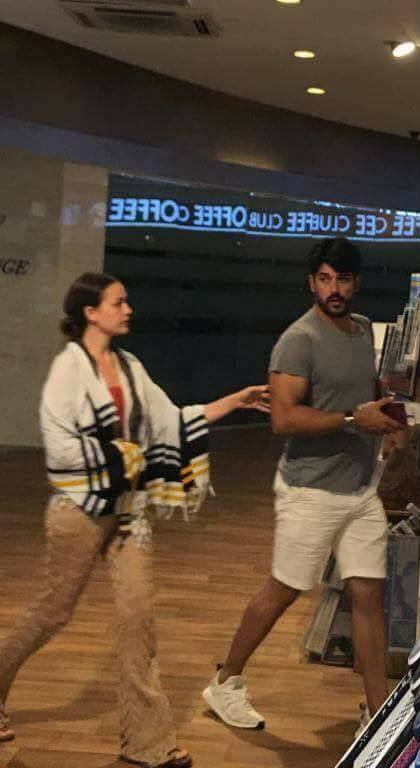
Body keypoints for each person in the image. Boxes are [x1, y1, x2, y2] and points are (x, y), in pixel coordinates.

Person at [0, 272, 269, 768]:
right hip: (79, 511)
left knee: (138, 619)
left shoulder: (130, 367)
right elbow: (60, 447)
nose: (128, 310)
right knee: (53, 612)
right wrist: (122, 456)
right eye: (118, 302)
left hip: (128, 513)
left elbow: (171, 420)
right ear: (91, 313)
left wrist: (233, 402)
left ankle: (148, 743)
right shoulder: (67, 370)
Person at [202, 237, 405, 735]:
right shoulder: (298, 340)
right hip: (310, 490)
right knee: (284, 590)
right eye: (325, 279)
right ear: (311, 282)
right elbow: (284, 419)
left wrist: (390, 416)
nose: (334, 289)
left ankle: (377, 712)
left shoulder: (362, 330)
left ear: (356, 283)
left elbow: (367, 391)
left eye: (343, 279)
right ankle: (225, 683)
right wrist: (354, 420)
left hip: (359, 490)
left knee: (368, 595)